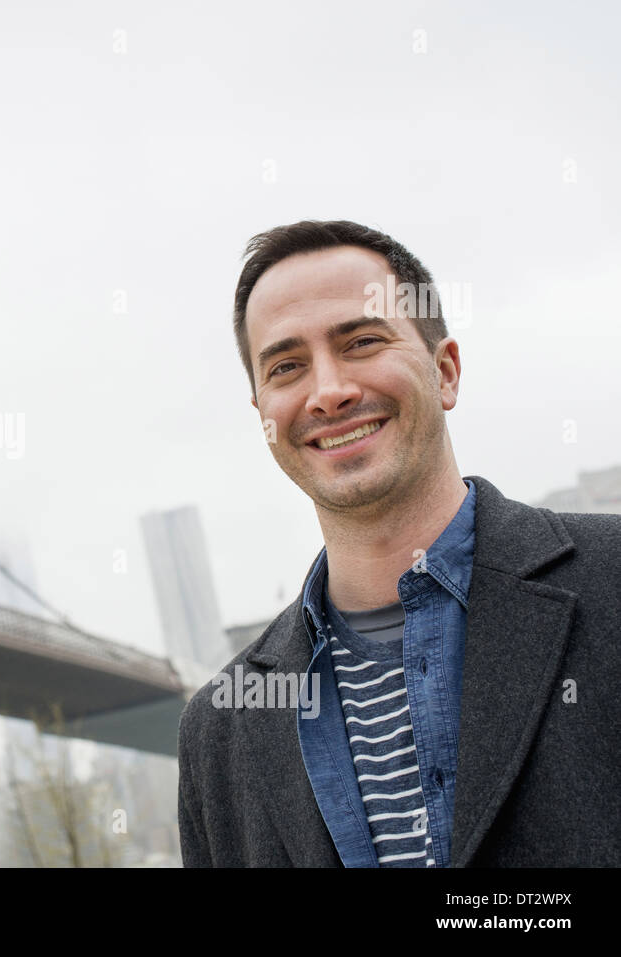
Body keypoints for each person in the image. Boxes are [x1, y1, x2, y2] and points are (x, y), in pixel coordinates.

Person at [177, 220, 621, 866]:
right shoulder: (218, 732)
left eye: (360, 341)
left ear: (445, 371)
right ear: (264, 414)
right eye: (287, 365)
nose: (329, 391)